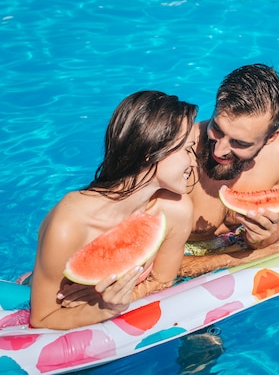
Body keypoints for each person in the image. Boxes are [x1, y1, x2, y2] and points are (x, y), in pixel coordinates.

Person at [29, 91, 198, 330]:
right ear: (151, 150)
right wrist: (104, 308)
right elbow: (42, 319)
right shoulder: (69, 224)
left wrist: (114, 299)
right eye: (187, 149)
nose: (193, 162)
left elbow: (163, 280)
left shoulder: (176, 210)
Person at [180, 64, 279, 277]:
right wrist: (235, 258)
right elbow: (153, 264)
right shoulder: (178, 154)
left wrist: (261, 238)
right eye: (217, 128)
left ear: (269, 138)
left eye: (240, 143)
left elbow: (277, 225)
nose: (220, 150)